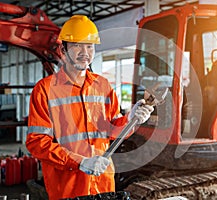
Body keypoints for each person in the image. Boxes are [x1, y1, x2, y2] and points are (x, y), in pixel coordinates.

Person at [26, 15, 154, 200]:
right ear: (63, 49)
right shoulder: (44, 90)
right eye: (77, 45)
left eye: (90, 46)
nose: (84, 52)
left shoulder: (102, 86)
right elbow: (37, 142)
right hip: (68, 186)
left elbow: (112, 130)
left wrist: (130, 120)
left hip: (103, 182)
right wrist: (79, 161)